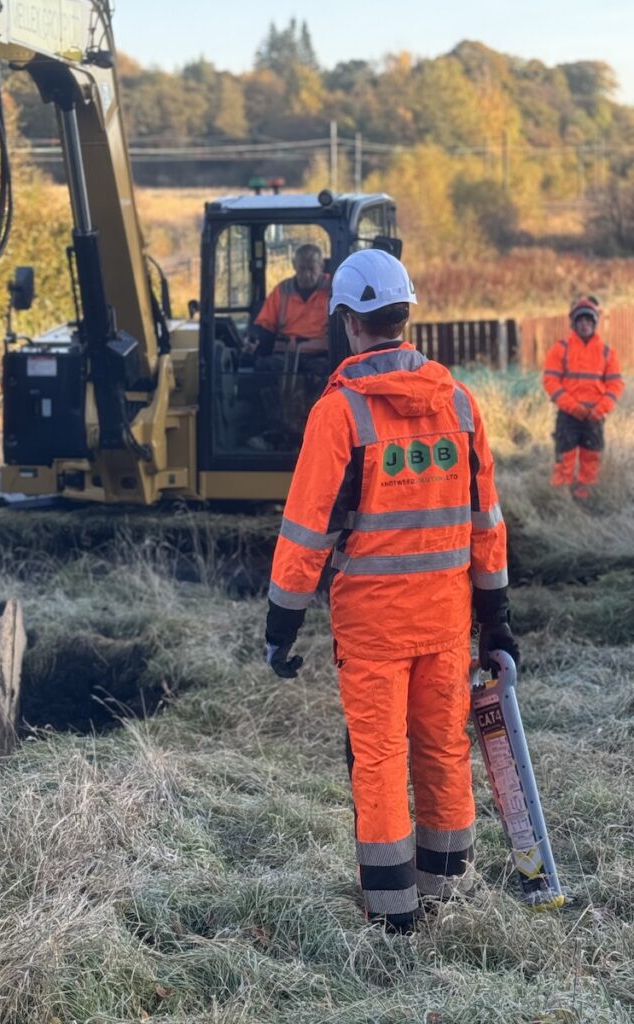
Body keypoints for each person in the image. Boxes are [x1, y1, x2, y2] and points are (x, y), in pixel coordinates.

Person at [263, 249, 519, 935]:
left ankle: (394, 920)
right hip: (446, 620)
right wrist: (495, 620)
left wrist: (280, 625)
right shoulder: (460, 404)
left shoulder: (340, 412)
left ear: (347, 322)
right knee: (443, 750)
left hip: (373, 630)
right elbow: (486, 523)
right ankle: (448, 896)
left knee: (379, 762)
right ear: (405, 317)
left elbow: (305, 533)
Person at [542, 296, 624, 500]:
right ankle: (561, 499)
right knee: (564, 459)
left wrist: (600, 409)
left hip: (595, 417)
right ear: (574, 324)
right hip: (569, 416)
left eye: (589, 321)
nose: (585, 324)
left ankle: (584, 498)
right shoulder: (561, 349)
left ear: (595, 323)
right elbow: (550, 382)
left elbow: (615, 385)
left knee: (591, 459)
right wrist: (572, 407)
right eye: (581, 321)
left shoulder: (607, 353)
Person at [251, 243, 330, 362]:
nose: (306, 274)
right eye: (302, 268)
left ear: (321, 266)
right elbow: (265, 324)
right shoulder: (282, 291)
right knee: (262, 369)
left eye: (311, 269)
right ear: (294, 265)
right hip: (285, 356)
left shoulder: (333, 289)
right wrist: (254, 339)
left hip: (321, 355)